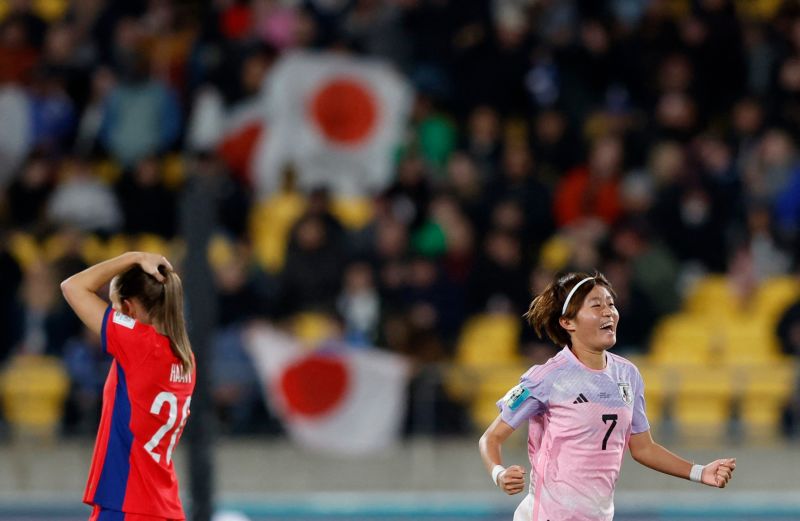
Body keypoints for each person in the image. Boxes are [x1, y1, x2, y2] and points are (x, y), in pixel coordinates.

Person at [478, 272, 736, 521]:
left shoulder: (628, 374)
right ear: (568, 322)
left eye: (611, 304)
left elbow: (643, 448)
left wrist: (699, 472)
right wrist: (499, 474)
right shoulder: (547, 377)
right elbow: (491, 438)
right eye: (596, 305)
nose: (608, 312)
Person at [60, 252, 195, 521]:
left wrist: (133, 257)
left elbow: (72, 287)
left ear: (130, 308)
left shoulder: (140, 345)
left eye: (116, 305)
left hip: (128, 504)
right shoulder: (185, 357)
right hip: (164, 507)